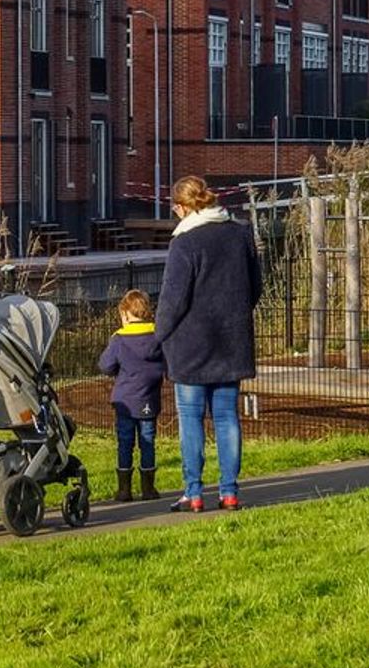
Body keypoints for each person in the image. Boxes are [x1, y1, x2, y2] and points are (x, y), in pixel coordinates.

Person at [155, 175, 262, 512]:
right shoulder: (240, 234)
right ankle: (229, 491)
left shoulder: (184, 243)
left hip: (190, 344)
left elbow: (173, 301)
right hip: (231, 340)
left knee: (190, 418)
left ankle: (194, 492)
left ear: (183, 207)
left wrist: (159, 335)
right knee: (227, 416)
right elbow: (255, 286)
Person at [97, 289, 166, 503]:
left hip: (125, 399)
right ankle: (148, 488)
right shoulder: (158, 336)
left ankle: (124, 490)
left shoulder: (119, 339)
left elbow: (105, 366)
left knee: (125, 441)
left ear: (126, 314)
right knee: (147, 441)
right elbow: (167, 364)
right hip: (149, 399)